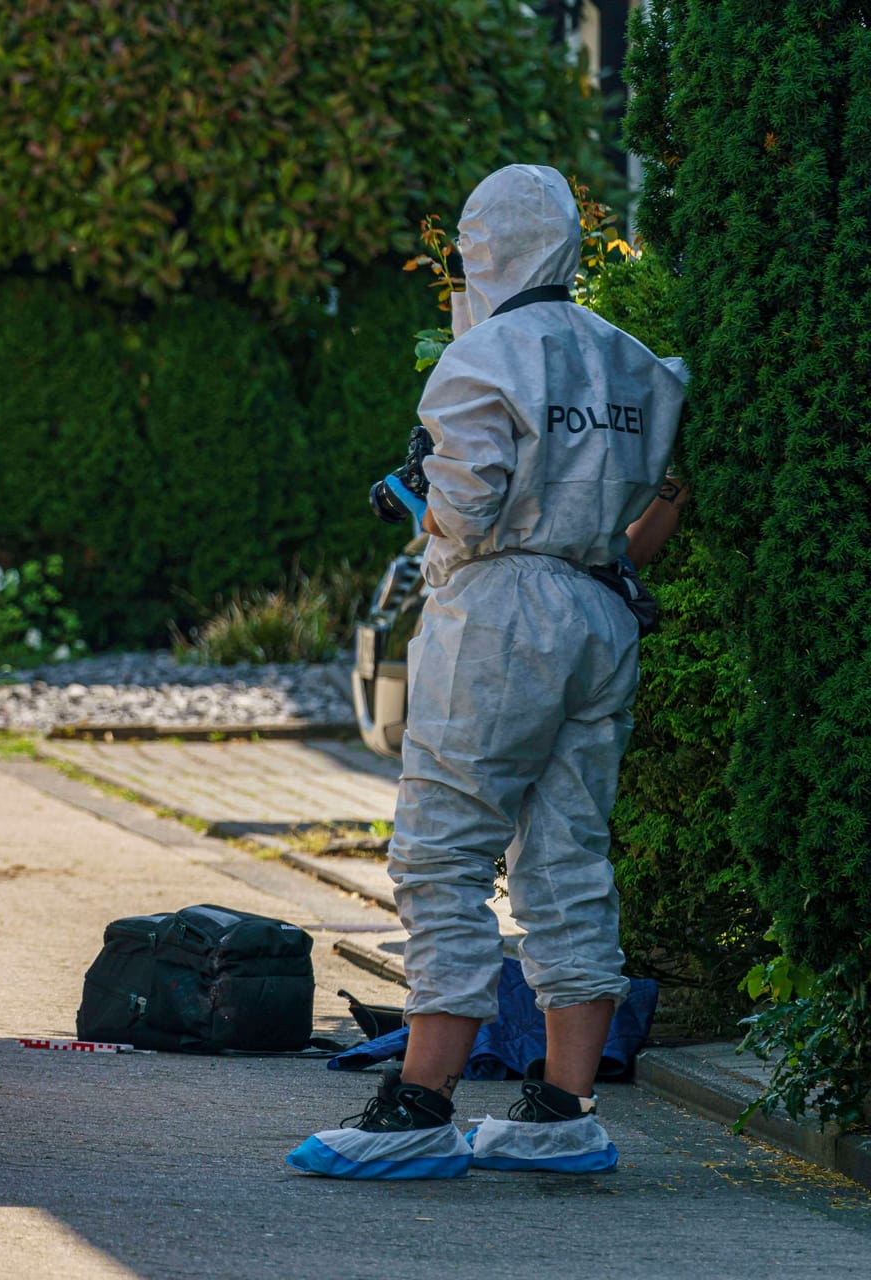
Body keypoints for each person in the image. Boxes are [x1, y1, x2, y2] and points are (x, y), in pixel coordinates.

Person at [288, 165, 689, 1179]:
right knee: (567, 857)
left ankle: (420, 1101)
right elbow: (663, 507)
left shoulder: (481, 359)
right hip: (604, 607)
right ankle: (564, 1107)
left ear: (485, 250)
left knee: (443, 850)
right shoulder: (639, 363)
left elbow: (466, 516)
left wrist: (417, 505)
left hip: (503, 614)